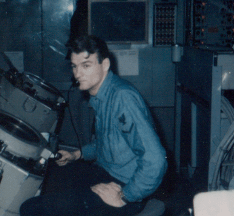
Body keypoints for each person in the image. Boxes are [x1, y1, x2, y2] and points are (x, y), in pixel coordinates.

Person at [20, 35, 167, 216]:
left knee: (31, 209)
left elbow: (156, 160)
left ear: (104, 65)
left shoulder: (122, 97)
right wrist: (77, 154)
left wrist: (125, 196)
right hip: (105, 173)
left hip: (125, 188)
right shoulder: (99, 96)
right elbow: (107, 144)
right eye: (74, 66)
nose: (77, 74)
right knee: (47, 176)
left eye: (86, 65)